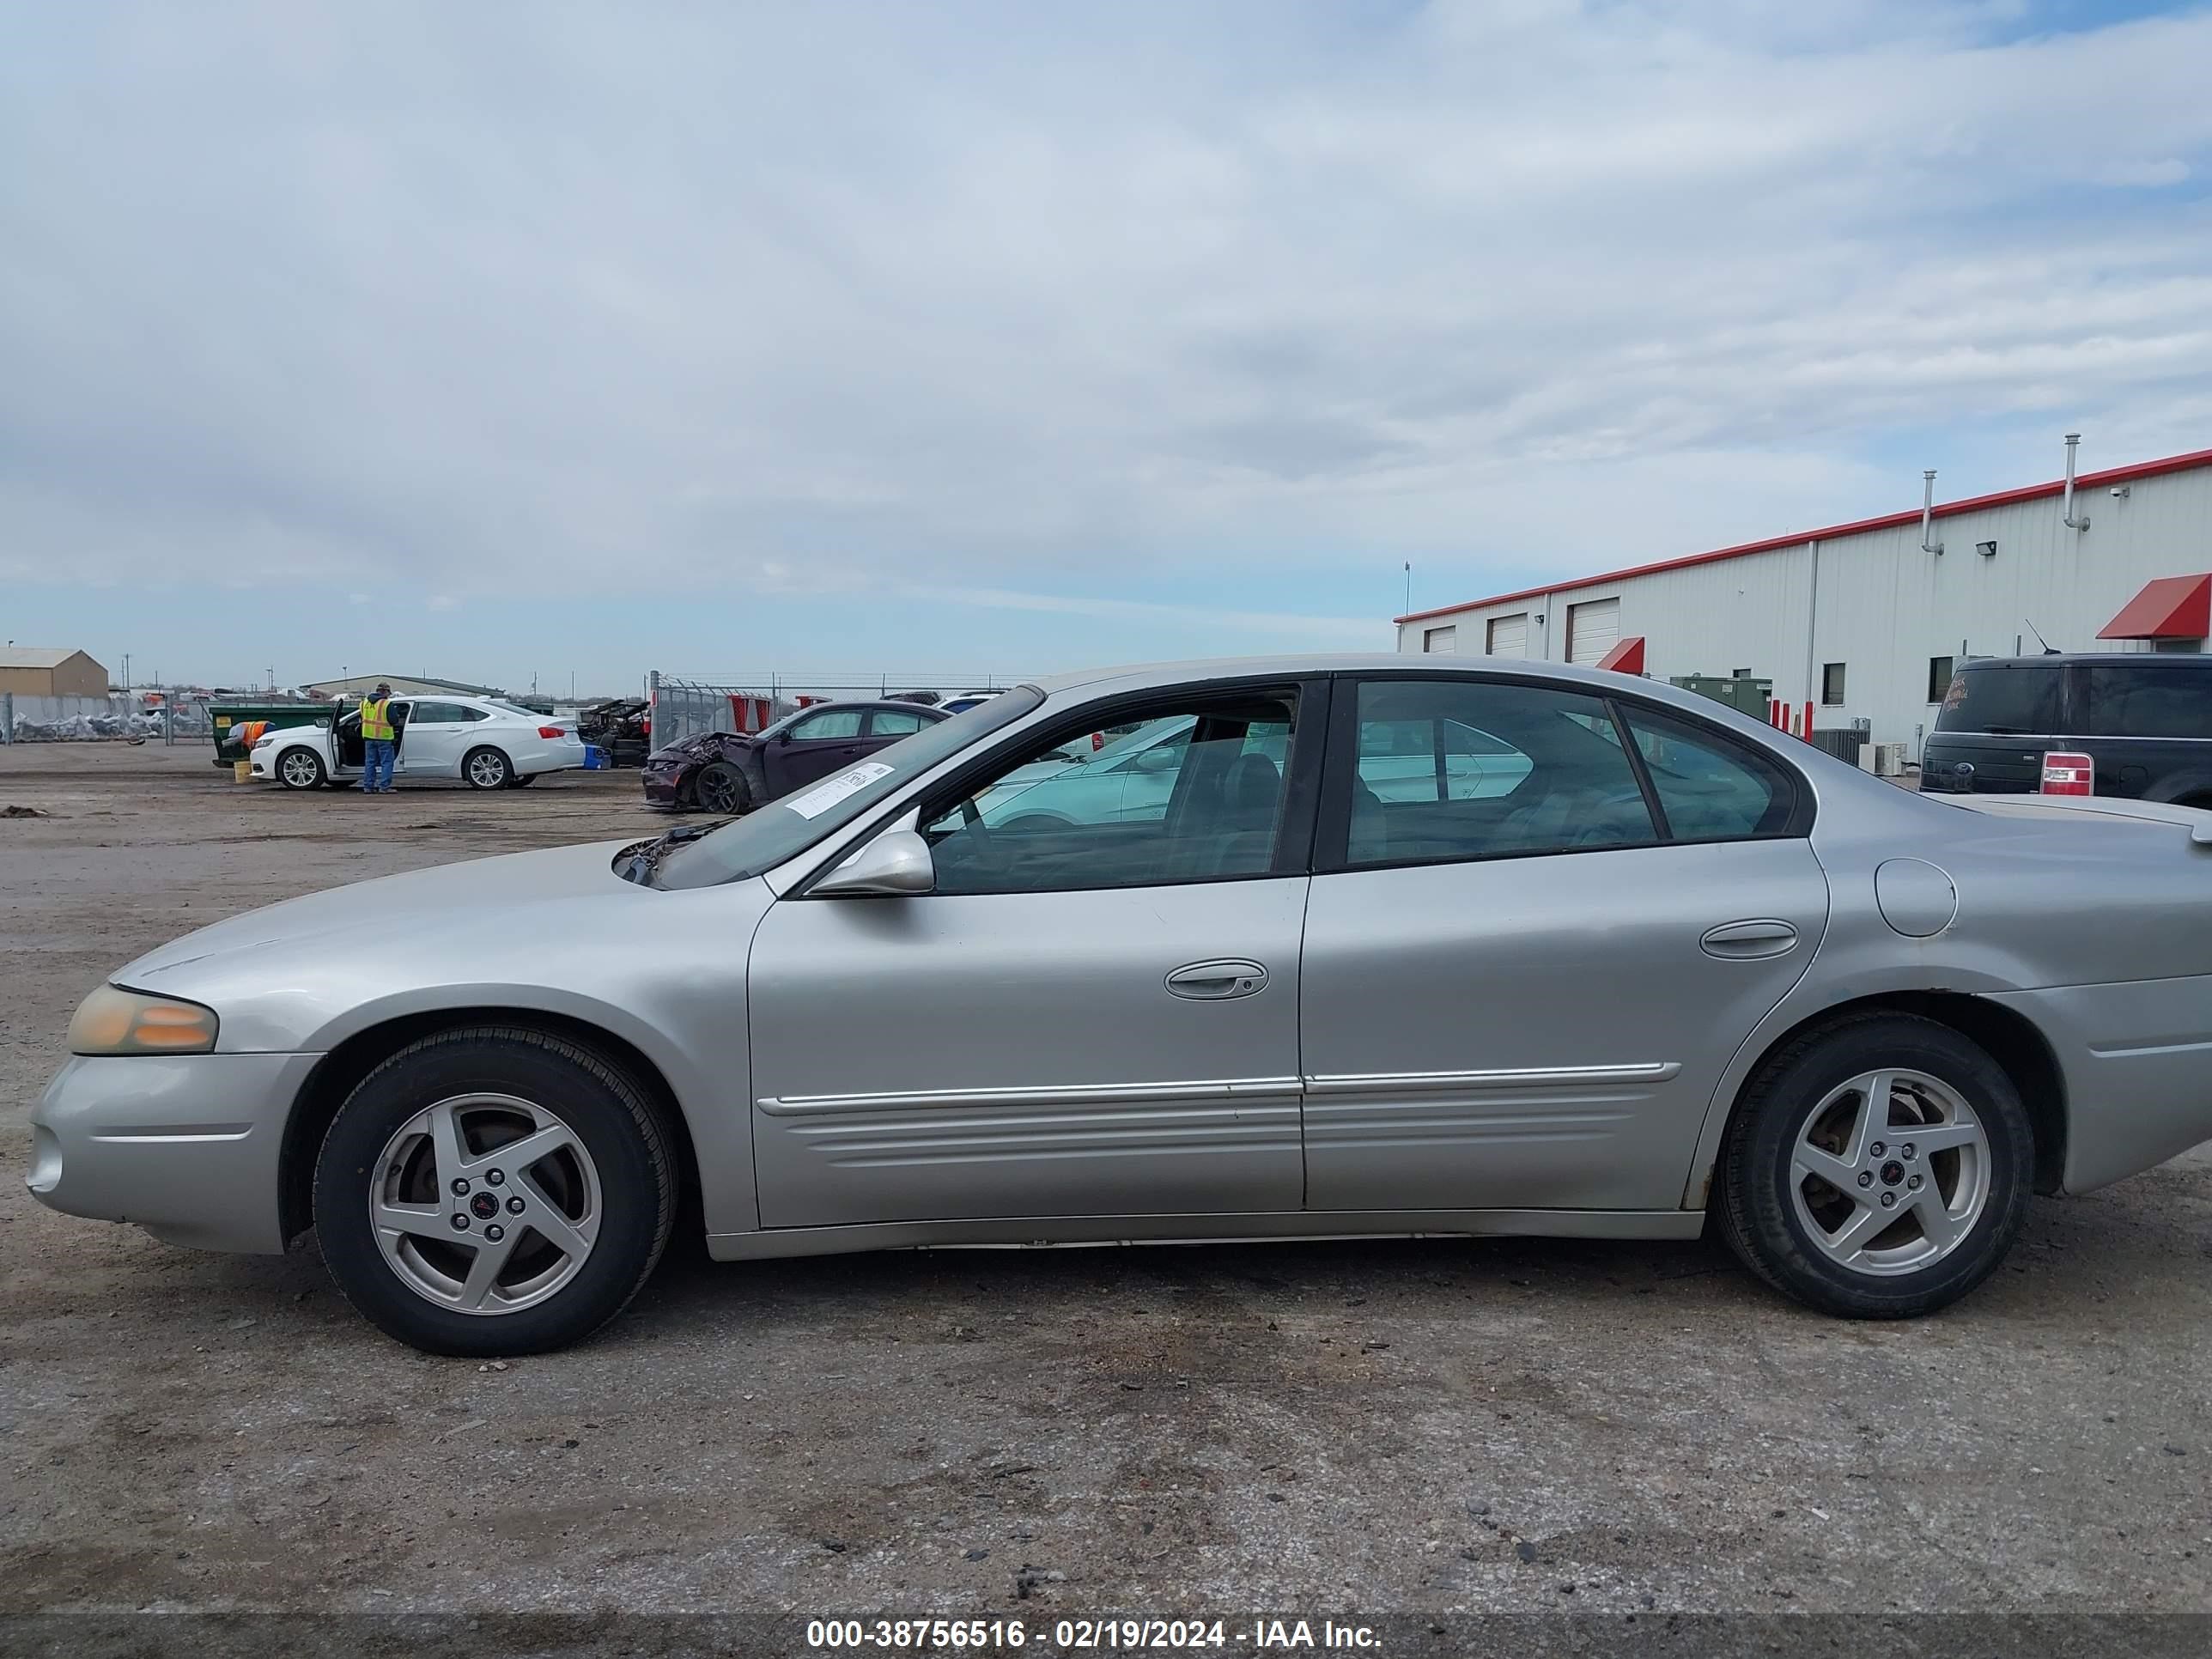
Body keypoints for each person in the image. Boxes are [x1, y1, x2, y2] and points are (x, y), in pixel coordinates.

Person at [360, 683, 398, 794]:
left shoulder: (364, 703)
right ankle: (384, 787)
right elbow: (393, 720)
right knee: (386, 763)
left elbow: (363, 718)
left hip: (368, 737)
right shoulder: (386, 704)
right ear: (385, 692)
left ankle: (368, 786)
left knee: (370, 763)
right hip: (384, 737)